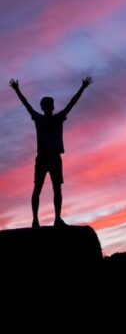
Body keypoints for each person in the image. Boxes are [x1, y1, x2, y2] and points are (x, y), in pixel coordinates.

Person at [9, 76, 93, 228]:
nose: (49, 107)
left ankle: (54, 219)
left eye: (49, 105)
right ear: (49, 107)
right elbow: (70, 104)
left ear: (49, 107)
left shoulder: (51, 118)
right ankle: (40, 220)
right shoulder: (46, 118)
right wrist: (17, 90)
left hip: (51, 158)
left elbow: (70, 104)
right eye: (48, 105)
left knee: (51, 189)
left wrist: (17, 90)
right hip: (46, 158)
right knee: (43, 189)